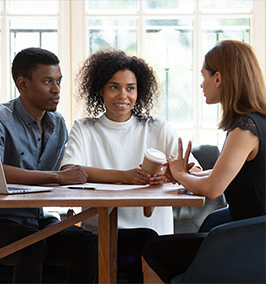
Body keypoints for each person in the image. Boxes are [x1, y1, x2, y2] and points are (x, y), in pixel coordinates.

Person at [60, 49, 201, 282]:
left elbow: (195, 171)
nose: (122, 95)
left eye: (130, 88)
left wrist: (172, 175)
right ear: (100, 90)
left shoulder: (158, 128)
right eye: (114, 87)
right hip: (99, 235)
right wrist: (123, 176)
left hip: (154, 238)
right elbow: (69, 171)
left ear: (139, 91)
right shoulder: (84, 128)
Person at [142, 39, 266, 283]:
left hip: (251, 241)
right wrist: (184, 174)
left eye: (204, 75)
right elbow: (228, 174)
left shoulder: (244, 129)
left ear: (218, 78)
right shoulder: (257, 121)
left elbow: (213, 189)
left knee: (152, 252)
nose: (201, 84)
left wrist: (180, 176)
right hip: (251, 234)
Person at [0, 47, 97, 283]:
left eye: (58, 81)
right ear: (23, 84)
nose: (56, 90)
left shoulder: (57, 123)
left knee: (89, 243)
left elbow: (60, 177)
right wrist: (58, 177)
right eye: (47, 82)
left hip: (37, 219)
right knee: (33, 244)